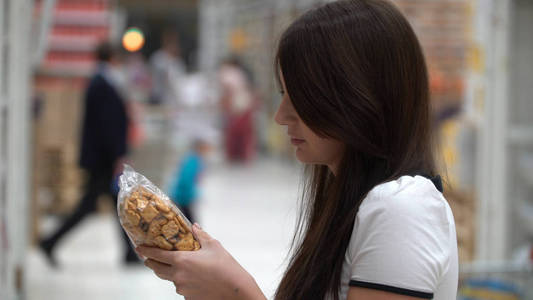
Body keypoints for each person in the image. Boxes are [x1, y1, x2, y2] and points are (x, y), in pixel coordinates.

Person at [136, 1, 459, 299]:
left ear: (359, 97)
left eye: (301, 97)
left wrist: (235, 291)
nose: (282, 116)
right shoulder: (351, 200)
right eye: (283, 94)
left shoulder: (401, 209)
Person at [39, 42, 138, 266]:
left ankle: (129, 253)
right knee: (93, 206)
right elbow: (107, 125)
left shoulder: (102, 82)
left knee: (114, 205)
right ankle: (50, 241)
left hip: (102, 158)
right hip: (103, 160)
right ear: (112, 57)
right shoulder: (102, 84)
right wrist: (118, 155)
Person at [219, 56, 258, 163]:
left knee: (233, 133)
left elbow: (227, 91)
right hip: (243, 104)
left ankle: (235, 155)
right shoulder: (240, 74)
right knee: (243, 133)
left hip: (236, 105)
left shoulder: (228, 73)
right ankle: (244, 155)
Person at [167, 138, 210, 223]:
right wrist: (189, 196)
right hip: (182, 197)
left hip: (183, 196)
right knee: (189, 223)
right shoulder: (193, 161)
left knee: (186, 222)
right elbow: (185, 179)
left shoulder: (194, 159)